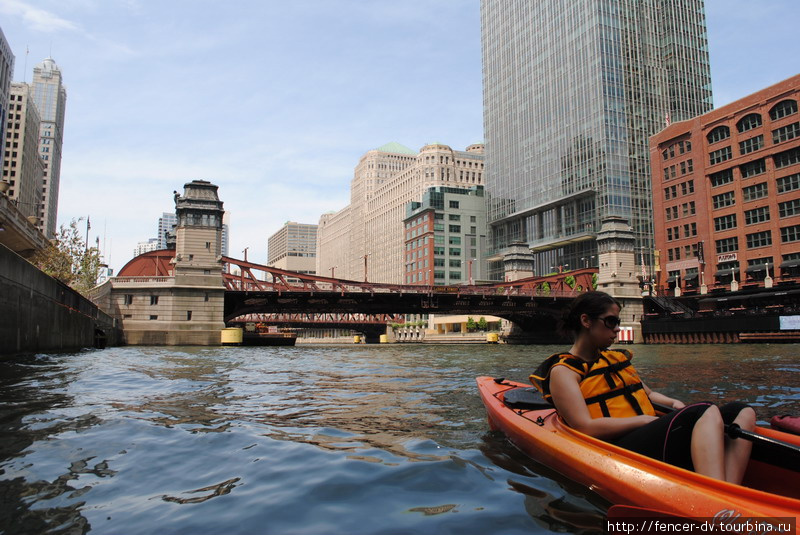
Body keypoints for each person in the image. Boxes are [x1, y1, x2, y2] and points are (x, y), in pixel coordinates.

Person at [530, 291, 755, 484]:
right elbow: (584, 427)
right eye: (610, 322)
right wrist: (645, 421)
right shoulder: (564, 371)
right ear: (586, 321)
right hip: (617, 447)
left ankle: (728, 491)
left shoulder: (614, 359)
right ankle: (717, 496)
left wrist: (673, 403)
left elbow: (648, 394)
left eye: (617, 322)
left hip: (645, 433)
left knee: (742, 411)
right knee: (703, 410)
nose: (617, 329)